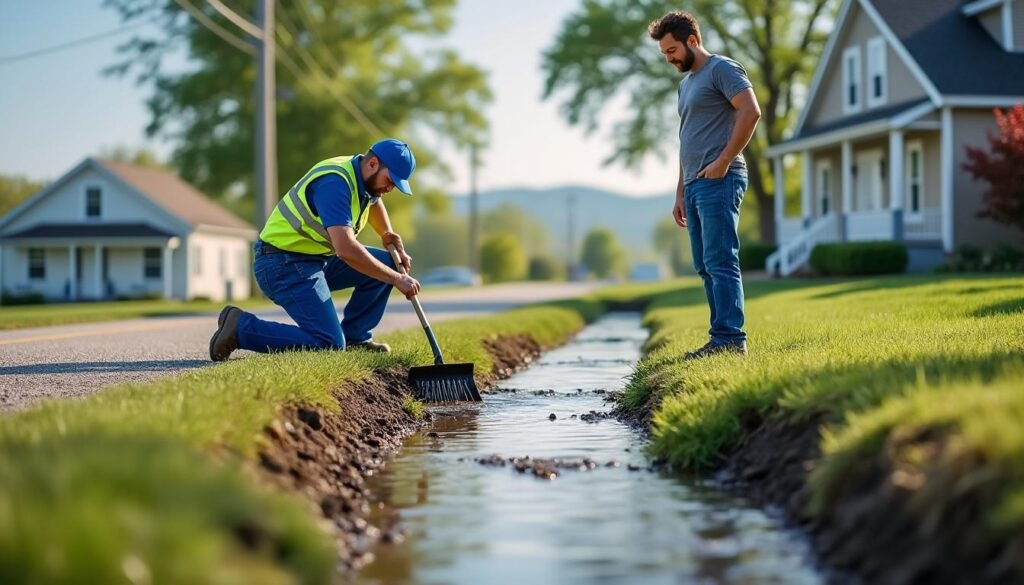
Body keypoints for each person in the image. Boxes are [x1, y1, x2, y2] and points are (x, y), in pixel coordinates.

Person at [208, 138, 422, 361]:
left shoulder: (361, 175)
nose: (389, 188)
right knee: (328, 343)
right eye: (390, 181)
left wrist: (386, 233)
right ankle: (241, 328)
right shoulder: (334, 183)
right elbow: (346, 249)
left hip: (315, 260)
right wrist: (397, 279)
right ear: (373, 164)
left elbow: (374, 199)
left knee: (387, 263)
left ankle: (356, 339)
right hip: (281, 264)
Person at [648, 11, 762, 359]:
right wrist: (681, 191)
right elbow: (687, 140)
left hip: (721, 178)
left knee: (720, 259)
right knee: (704, 264)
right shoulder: (686, 85)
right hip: (696, 183)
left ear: (692, 41)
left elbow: (751, 111)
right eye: (665, 53)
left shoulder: (722, 69)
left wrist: (724, 160)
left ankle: (730, 340)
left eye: (671, 50)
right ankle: (720, 339)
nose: (669, 58)